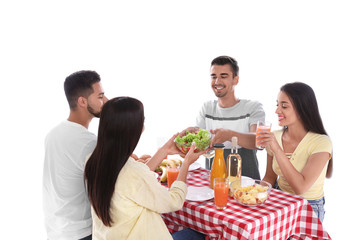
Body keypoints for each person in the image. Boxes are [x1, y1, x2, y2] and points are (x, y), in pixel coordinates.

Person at [84, 97, 206, 240]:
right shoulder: (133, 173)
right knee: (198, 234)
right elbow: (174, 201)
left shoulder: (93, 162)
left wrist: (165, 150)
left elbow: (132, 180)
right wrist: (186, 164)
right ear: (133, 129)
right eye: (143, 120)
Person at [43, 70, 108, 240]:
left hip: (56, 231)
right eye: (100, 96)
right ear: (82, 101)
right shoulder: (87, 142)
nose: (106, 101)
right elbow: (118, 181)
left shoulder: (53, 134)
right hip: (81, 232)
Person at [259, 82, 333, 222]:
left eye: (284, 106)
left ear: (302, 109)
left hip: (308, 206)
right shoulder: (274, 136)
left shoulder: (321, 142)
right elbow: (269, 178)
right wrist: (255, 195)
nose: (277, 111)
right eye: (277, 105)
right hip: (279, 199)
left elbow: (300, 188)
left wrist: (277, 148)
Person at [184, 56, 265, 179]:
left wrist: (229, 135)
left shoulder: (253, 107)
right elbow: (198, 142)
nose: (217, 81)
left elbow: (258, 141)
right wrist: (187, 138)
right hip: (214, 182)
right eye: (213, 76)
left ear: (235, 80)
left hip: (247, 185)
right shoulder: (207, 108)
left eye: (223, 76)